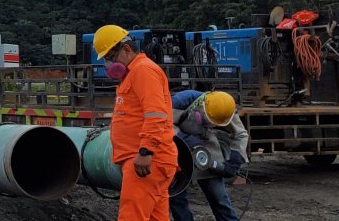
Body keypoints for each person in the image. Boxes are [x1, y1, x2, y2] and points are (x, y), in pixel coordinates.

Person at [94, 24, 179, 221]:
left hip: (147, 161)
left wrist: (146, 151)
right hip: (150, 160)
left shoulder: (143, 71)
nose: (109, 64)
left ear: (126, 49)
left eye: (111, 57)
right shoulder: (133, 73)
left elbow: (156, 114)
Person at [168, 90, 247, 221]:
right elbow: (162, 122)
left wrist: (235, 159)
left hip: (206, 147)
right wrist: (185, 138)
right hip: (177, 147)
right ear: (201, 105)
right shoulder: (180, 101)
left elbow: (240, 134)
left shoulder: (226, 109)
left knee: (219, 197)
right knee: (177, 196)